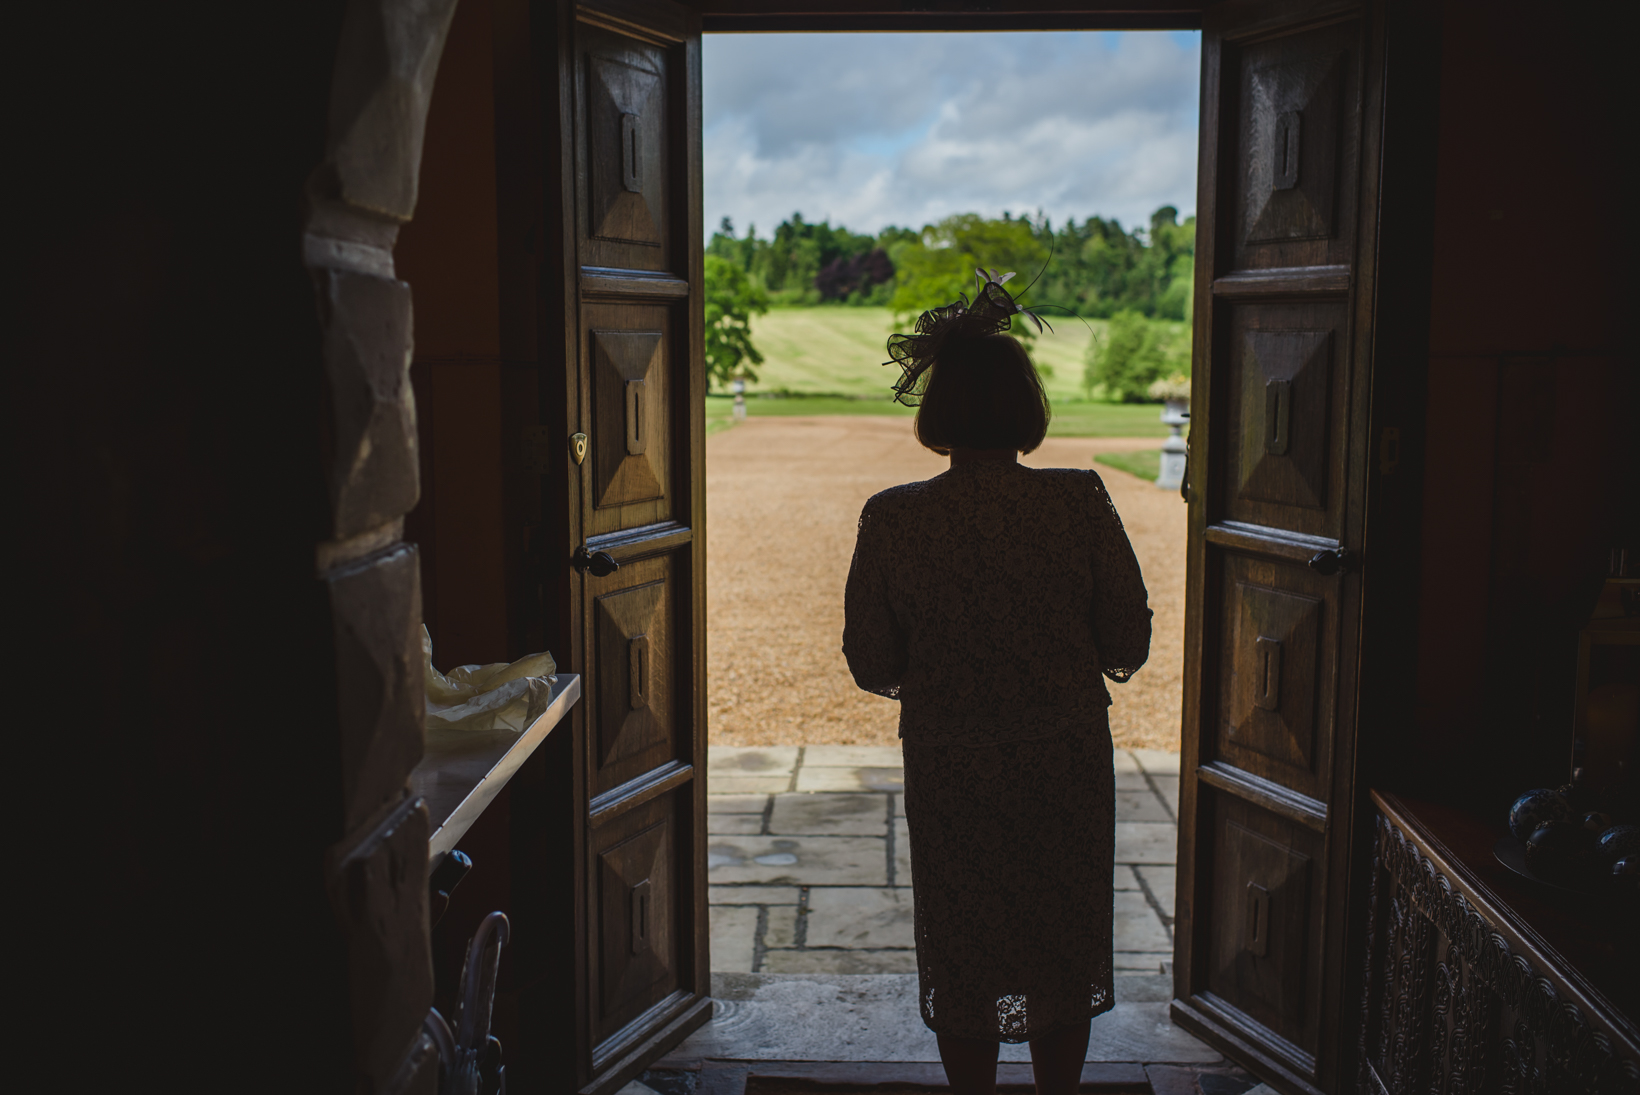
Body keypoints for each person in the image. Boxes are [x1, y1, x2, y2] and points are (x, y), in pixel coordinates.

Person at [842, 272, 1152, 1095]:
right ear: (1026, 409)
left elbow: (872, 660)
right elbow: (1129, 636)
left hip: (952, 765)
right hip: (1064, 759)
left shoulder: (894, 516)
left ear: (938, 412)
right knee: (1060, 937)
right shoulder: (1079, 501)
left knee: (966, 943)